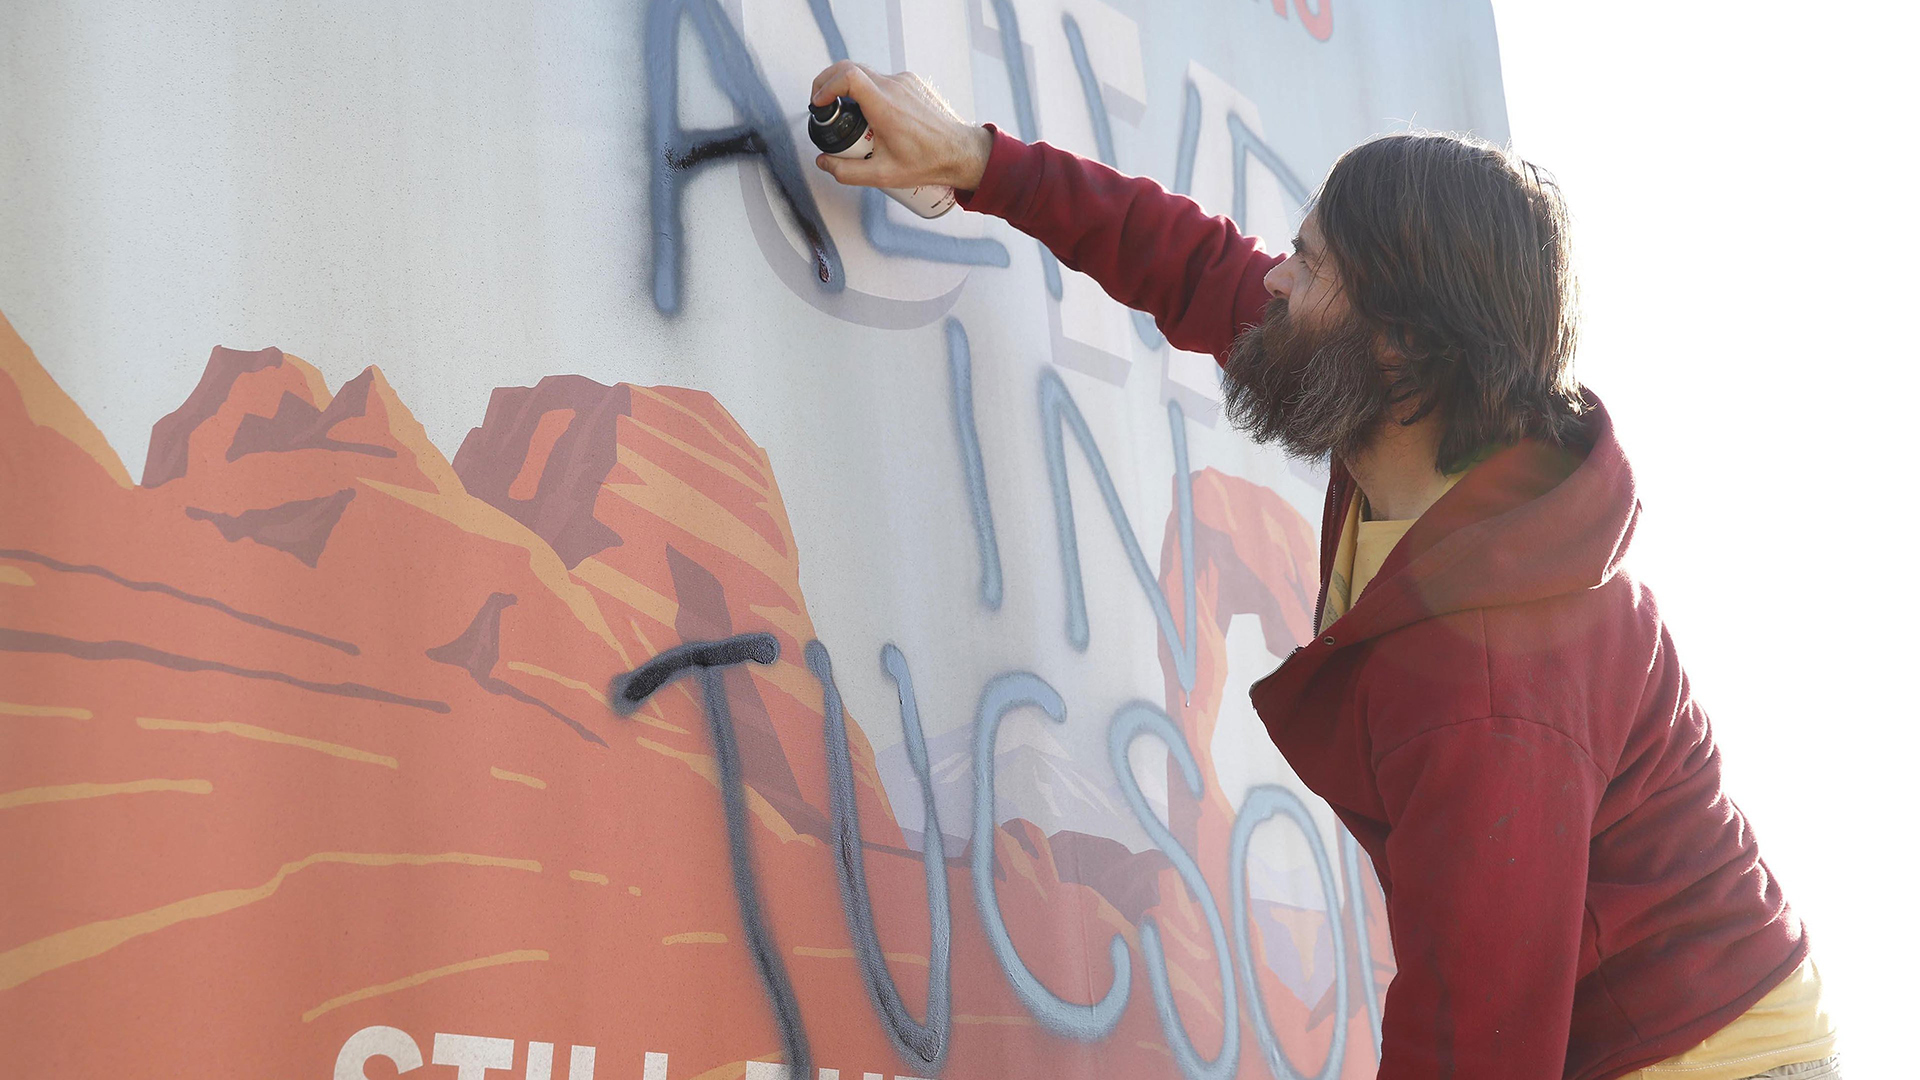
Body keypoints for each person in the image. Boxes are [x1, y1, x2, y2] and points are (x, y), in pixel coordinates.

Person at [805, 61, 1840, 1080]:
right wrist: (976, 161)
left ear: (1400, 348)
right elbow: (1195, 267)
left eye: (1309, 264)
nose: (1274, 279)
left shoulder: (1489, 677)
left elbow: (1474, 1048)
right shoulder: (1415, 431)